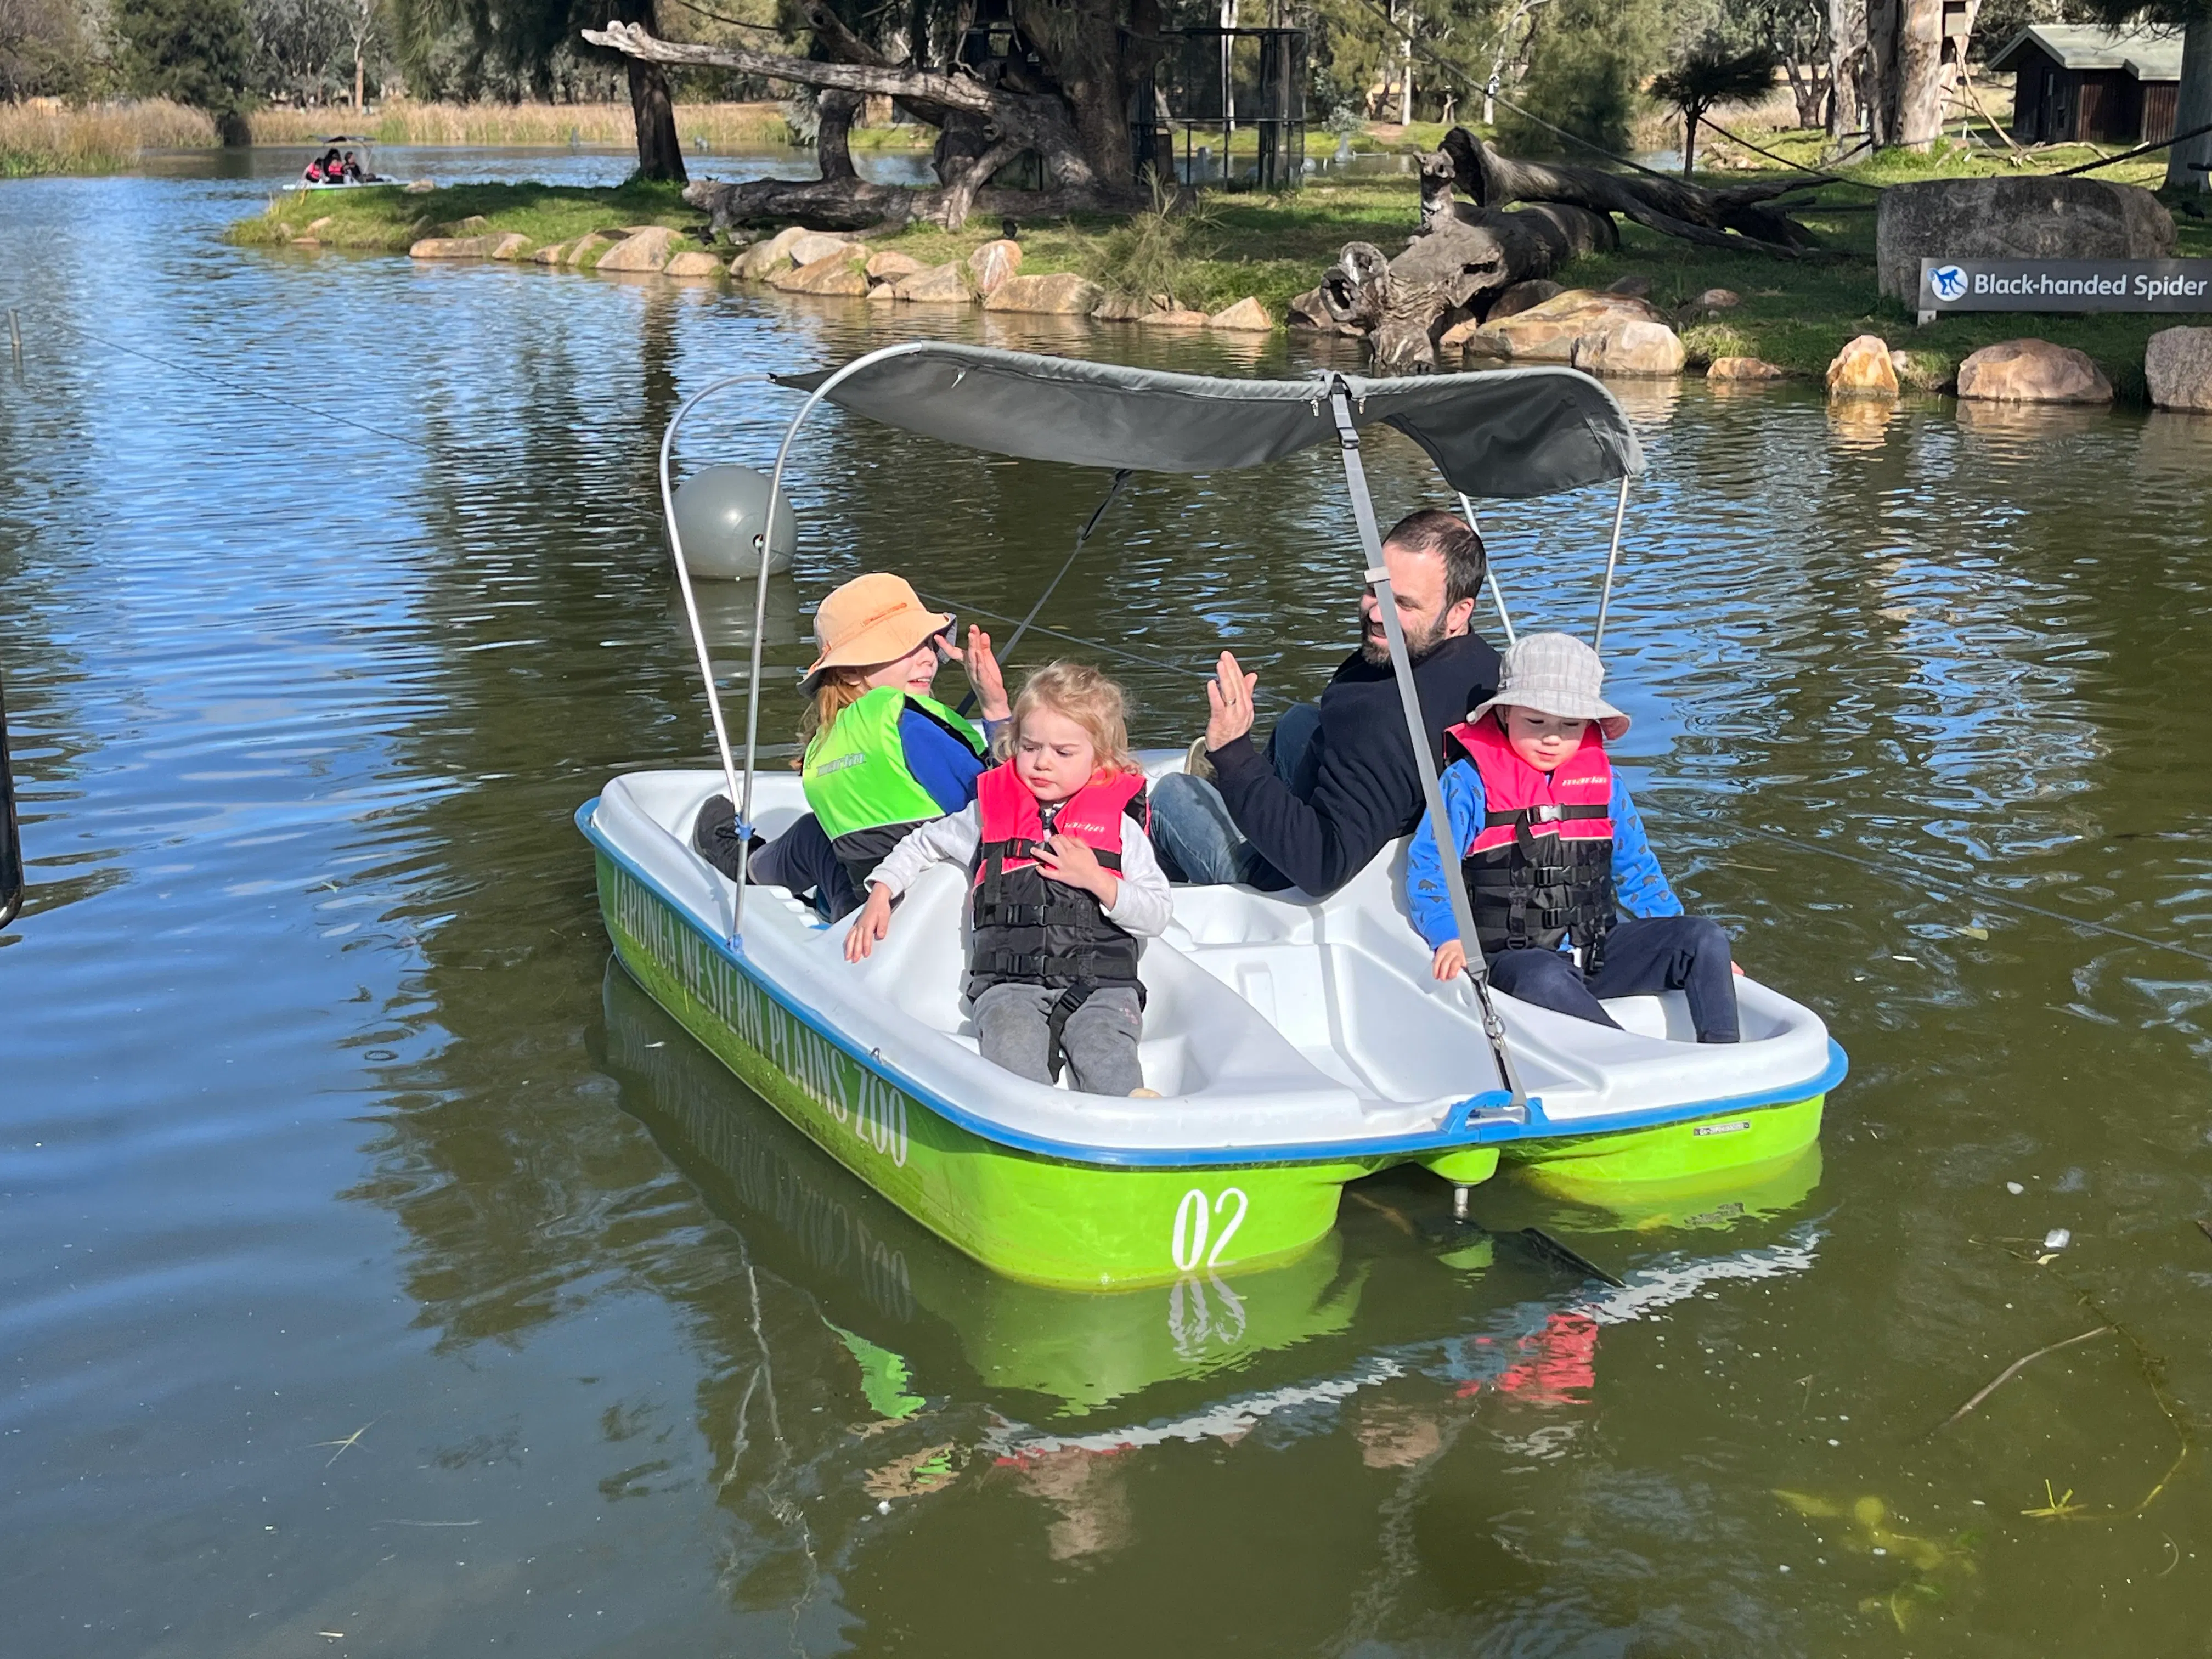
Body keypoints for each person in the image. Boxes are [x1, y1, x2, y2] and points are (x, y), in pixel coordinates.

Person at [845, 662, 1171, 1098]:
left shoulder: (1120, 828)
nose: (1042, 763)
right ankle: (1031, 1118)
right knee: (1011, 1045)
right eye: (1030, 747)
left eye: (1063, 752)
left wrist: (1096, 880)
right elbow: (922, 844)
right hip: (1010, 986)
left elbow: (1156, 914)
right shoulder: (986, 815)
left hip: (1101, 987)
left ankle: (1133, 1118)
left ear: (1101, 759)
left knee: (1105, 1047)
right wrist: (883, 889)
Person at [1407, 631, 1740, 1043]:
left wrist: (1703, 957)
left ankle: (1726, 1054)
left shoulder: (1607, 786)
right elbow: (1429, 868)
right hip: (1515, 960)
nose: (1553, 737)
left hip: (1598, 949)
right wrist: (1449, 936)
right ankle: (1635, 1059)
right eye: (1536, 721)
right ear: (1506, 714)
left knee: (1703, 938)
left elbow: (1638, 871)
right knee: (1543, 976)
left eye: (1570, 725)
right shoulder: (1466, 784)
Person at [1149, 508, 1500, 896]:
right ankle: (1241, 797)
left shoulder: (1384, 719)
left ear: (1458, 612)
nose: (1377, 613)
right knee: (1300, 724)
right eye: (1373, 590)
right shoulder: (1484, 667)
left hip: (1293, 885)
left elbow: (1323, 866)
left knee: (1173, 794)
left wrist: (1233, 754)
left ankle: (1220, 853)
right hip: (1388, 827)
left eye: (1403, 603)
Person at [692, 573, 1008, 919]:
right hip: (937, 909)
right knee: (814, 836)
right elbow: (1004, 808)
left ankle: (745, 867)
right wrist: (995, 708)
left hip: (860, 912)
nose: (928, 659)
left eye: (928, 644)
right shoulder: (910, 723)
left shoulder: (821, 746)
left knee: (814, 835)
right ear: (850, 672)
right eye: (906, 646)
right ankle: (753, 867)